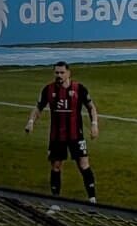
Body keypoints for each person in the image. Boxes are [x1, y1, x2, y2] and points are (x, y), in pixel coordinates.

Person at [24, 61, 99, 202]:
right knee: (56, 166)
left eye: (62, 72)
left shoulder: (79, 88)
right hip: (57, 136)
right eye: (57, 72)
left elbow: (91, 107)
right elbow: (38, 107)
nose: (59, 75)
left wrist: (94, 125)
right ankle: (56, 202)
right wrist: (31, 122)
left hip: (76, 135)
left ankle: (92, 199)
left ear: (68, 73)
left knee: (83, 164)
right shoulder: (48, 90)